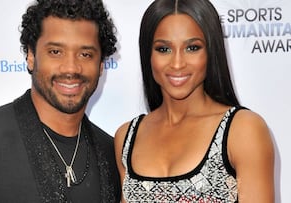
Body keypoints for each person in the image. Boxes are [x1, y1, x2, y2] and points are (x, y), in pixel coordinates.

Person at [0, 0, 121, 202]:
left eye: (85, 54)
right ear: (31, 56)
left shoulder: (113, 152)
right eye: (56, 52)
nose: (71, 68)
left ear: (101, 64)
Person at [114, 0, 275, 202]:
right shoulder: (126, 137)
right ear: (148, 54)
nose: (178, 63)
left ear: (211, 51)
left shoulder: (242, 129)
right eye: (164, 49)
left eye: (192, 47)